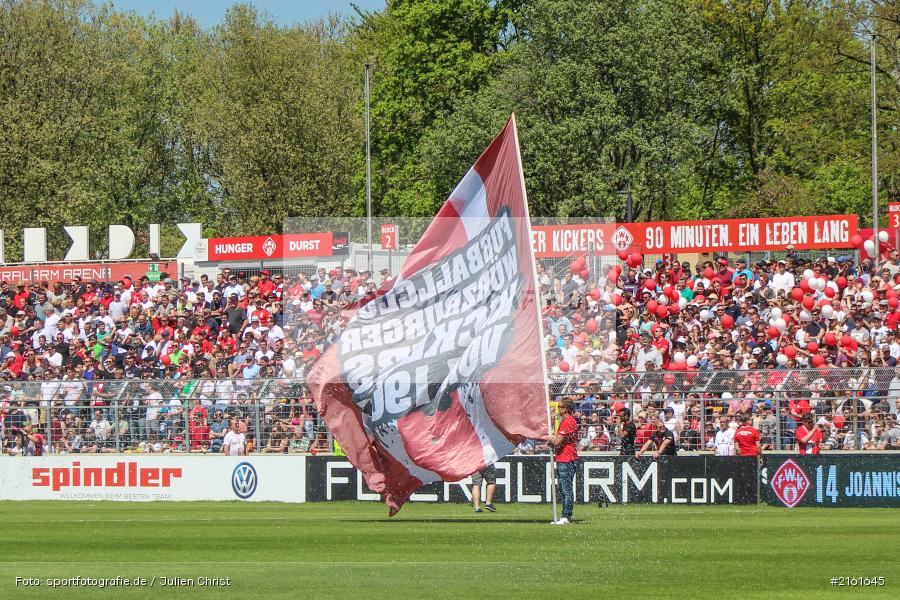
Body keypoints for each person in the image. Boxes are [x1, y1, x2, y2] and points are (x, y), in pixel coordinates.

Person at [547, 399, 578, 525]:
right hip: (565, 458)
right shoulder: (570, 421)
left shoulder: (567, 422)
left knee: (566, 489)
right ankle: (564, 515)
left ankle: (566, 516)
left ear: (565, 409)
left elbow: (558, 442)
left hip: (566, 458)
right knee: (563, 489)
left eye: (560, 406)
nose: (558, 408)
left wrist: (549, 437)